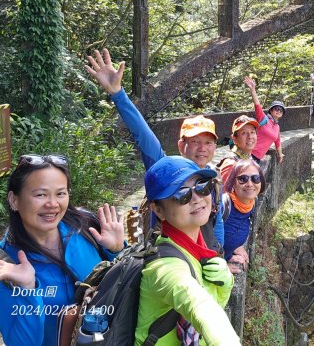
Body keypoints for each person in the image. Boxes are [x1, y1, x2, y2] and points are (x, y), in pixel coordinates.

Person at [85, 48, 225, 252]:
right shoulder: (165, 171)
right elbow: (143, 134)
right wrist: (118, 95)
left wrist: (219, 254)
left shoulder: (212, 180)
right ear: (181, 146)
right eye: (195, 141)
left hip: (204, 260)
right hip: (171, 257)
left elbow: (216, 221)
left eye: (208, 142)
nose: (202, 148)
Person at [0, 154, 124, 346]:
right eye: (40, 194)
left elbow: (121, 286)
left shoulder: (85, 227)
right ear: (14, 200)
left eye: (60, 193)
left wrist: (116, 251)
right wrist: (28, 289)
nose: (53, 204)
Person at [136, 156, 240, 346]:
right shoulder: (164, 266)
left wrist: (225, 284)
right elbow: (200, 307)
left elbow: (213, 307)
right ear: (159, 211)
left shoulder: (200, 247)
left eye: (202, 186)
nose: (197, 198)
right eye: (181, 194)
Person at [221, 159, 265, 273]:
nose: (250, 184)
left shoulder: (252, 202)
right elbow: (202, 240)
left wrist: (233, 248)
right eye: (243, 179)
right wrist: (220, 266)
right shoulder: (223, 205)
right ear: (233, 182)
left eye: (255, 178)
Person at [243, 76, 285, 163]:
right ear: (271, 110)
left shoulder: (277, 127)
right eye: (276, 108)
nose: (279, 111)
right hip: (248, 153)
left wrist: (280, 154)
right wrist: (252, 89)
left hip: (257, 158)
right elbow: (257, 105)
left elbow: (277, 142)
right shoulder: (263, 118)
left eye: (281, 110)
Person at [217, 115, 259, 185]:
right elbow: (225, 193)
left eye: (252, 132)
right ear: (234, 139)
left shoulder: (247, 157)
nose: (250, 136)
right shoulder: (231, 164)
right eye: (244, 133)